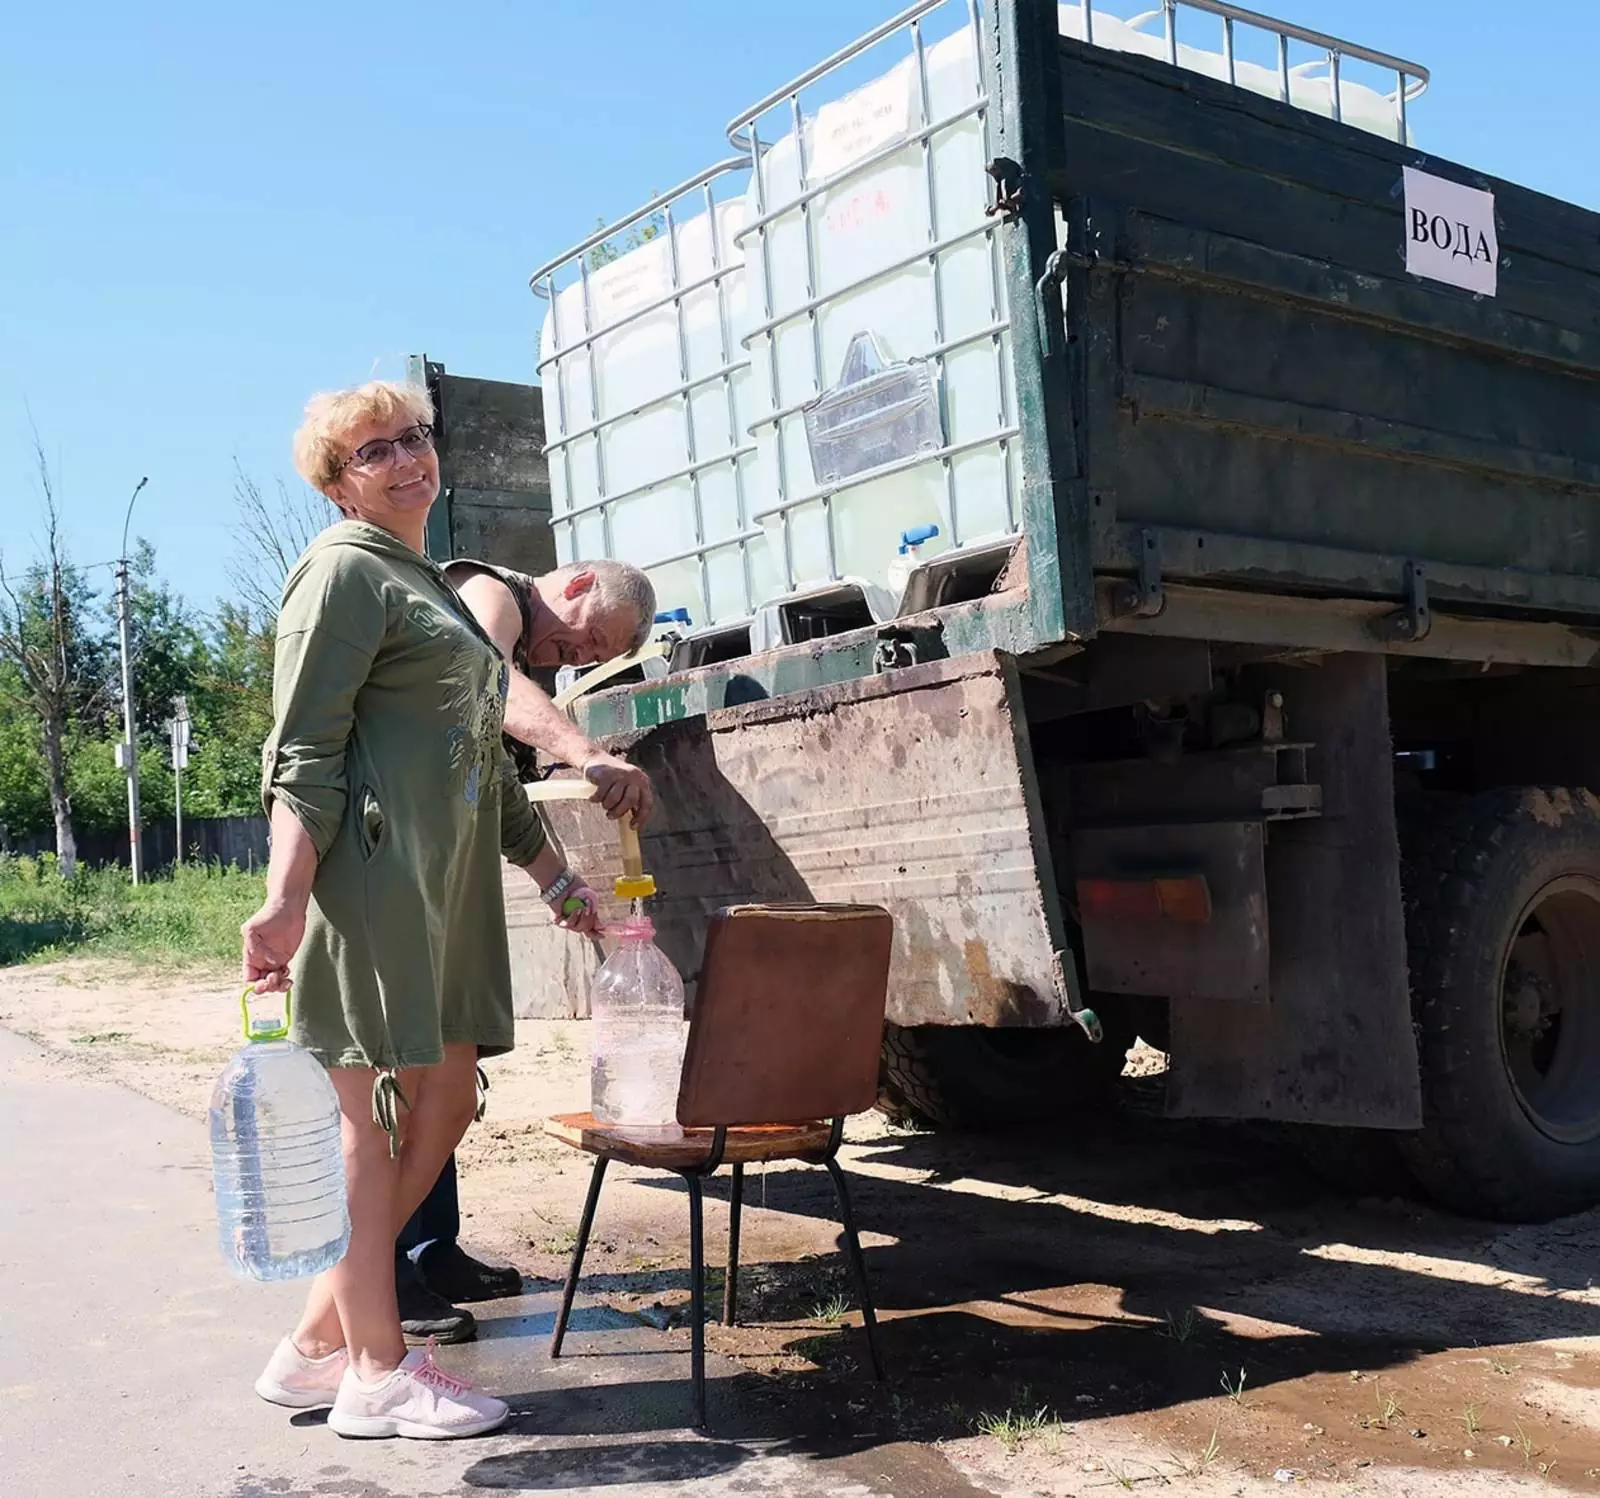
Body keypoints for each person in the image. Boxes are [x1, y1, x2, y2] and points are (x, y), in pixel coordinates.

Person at [241, 379, 602, 1441]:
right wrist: (285, 896)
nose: (405, 460)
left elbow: (482, 763)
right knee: (372, 1120)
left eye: (413, 439)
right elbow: (303, 750)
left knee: (445, 1100)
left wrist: (555, 877)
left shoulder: (429, 586)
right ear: (336, 483)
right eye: (373, 451)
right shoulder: (341, 572)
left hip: (449, 893)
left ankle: (315, 1343)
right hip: (370, 879)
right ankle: (375, 1371)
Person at [392, 554, 657, 1341]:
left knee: (446, 1064)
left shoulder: (518, 643)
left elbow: (495, 783)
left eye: (596, 656)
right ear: (574, 584)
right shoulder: (490, 595)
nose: (581, 656)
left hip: (443, 869)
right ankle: (383, 1272)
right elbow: (493, 685)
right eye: (591, 637)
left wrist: (556, 881)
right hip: (393, 860)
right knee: (406, 1071)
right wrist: (589, 754)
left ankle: (431, 1250)